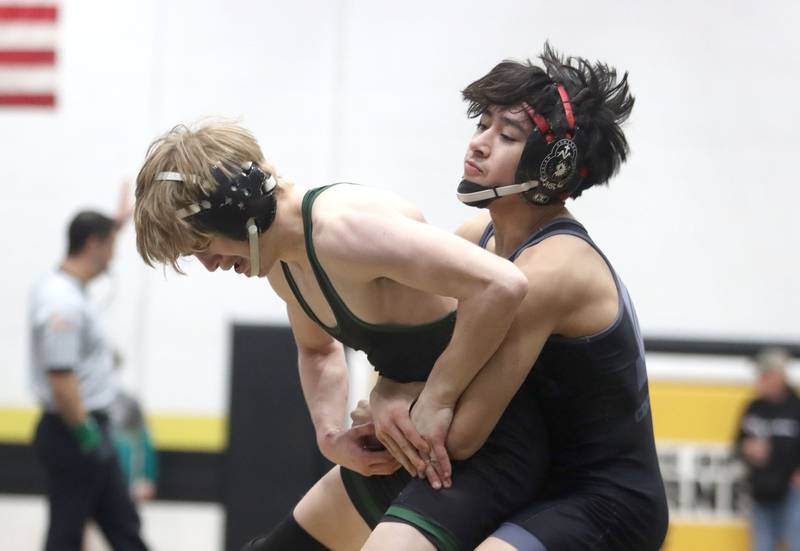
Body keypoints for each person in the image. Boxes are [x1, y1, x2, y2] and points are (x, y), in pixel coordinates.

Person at [133, 122, 550, 550]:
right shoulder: (284, 263)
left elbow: (502, 285)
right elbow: (317, 351)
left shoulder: (344, 230)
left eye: (203, 245)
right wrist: (331, 436)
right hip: (413, 445)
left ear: (234, 208)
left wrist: (436, 398)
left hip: (488, 442)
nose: (209, 265)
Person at [364, 44, 669, 550]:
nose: (479, 144)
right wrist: (386, 395)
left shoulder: (553, 270)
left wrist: (402, 406)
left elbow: (460, 436)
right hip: (528, 472)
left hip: (607, 500)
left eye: (506, 135)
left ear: (554, 166)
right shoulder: (476, 234)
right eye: (482, 124)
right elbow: (410, 346)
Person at [30, 200, 150, 551]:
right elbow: (61, 377)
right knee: (66, 535)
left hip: (90, 430)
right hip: (74, 431)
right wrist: (86, 435)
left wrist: (117, 223)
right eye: (111, 246)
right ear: (93, 245)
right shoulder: (61, 302)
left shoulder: (62, 286)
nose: (114, 257)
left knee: (125, 529)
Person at [735, 347, 800, 551]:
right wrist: (748, 449)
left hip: (792, 492)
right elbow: (738, 444)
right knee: (762, 546)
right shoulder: (753, 408)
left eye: (764, 375)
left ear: (779, 376)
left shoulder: (796, 408)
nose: (759, 380)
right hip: (761, 491)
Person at [108, 388, 159, 502]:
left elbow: (144, 441)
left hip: (126, 478)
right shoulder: (86, 401)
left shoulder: (129, 402)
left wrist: (147, 477)